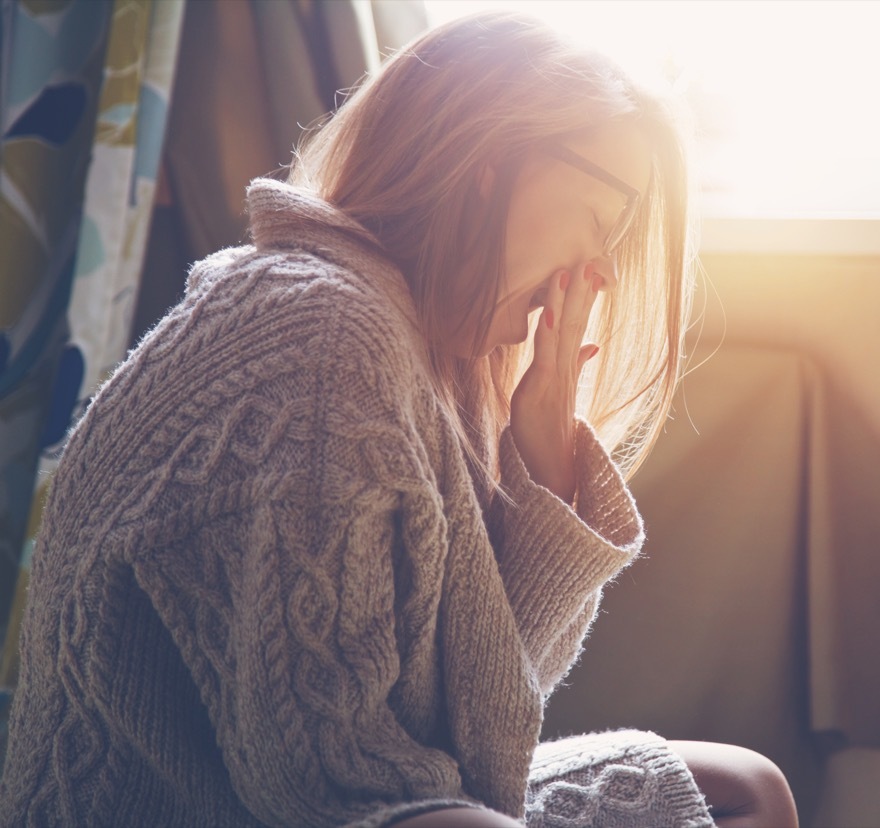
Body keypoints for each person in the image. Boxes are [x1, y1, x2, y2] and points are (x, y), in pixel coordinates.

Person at [0, 11, 799, 828]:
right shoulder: (315, 336)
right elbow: (330, 790)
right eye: (606, 220)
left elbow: (483, 734)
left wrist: (546, 474)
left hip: (347, 793)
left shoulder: (422, 347)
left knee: (742, 791)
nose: (597, 271)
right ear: (492, 160)